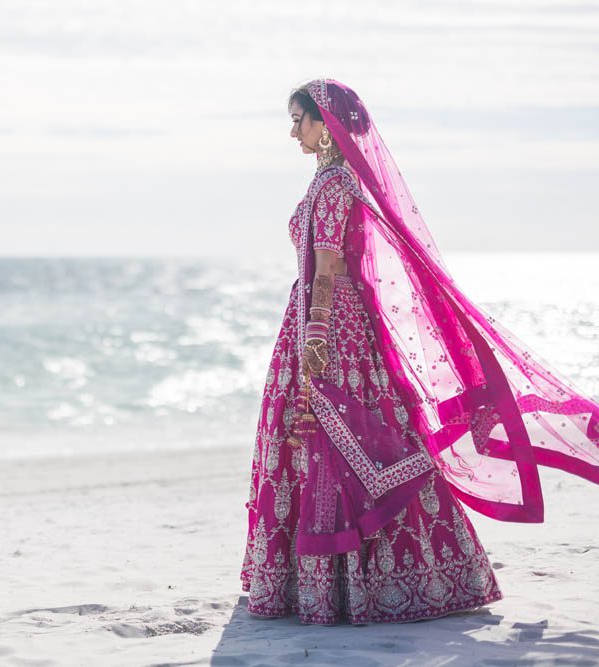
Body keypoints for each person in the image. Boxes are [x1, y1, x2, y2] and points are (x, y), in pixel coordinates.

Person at [241, 78, 599, 624]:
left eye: (299, 120)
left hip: (329, 326)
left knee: (348, 439)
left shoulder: (337, 184)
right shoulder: (324, 182)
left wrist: (314, 335)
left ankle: (374, 584)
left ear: (327, 125)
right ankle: (323, 585)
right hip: (313, 321)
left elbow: (331, 265)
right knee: (323, 441)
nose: (294, 131)